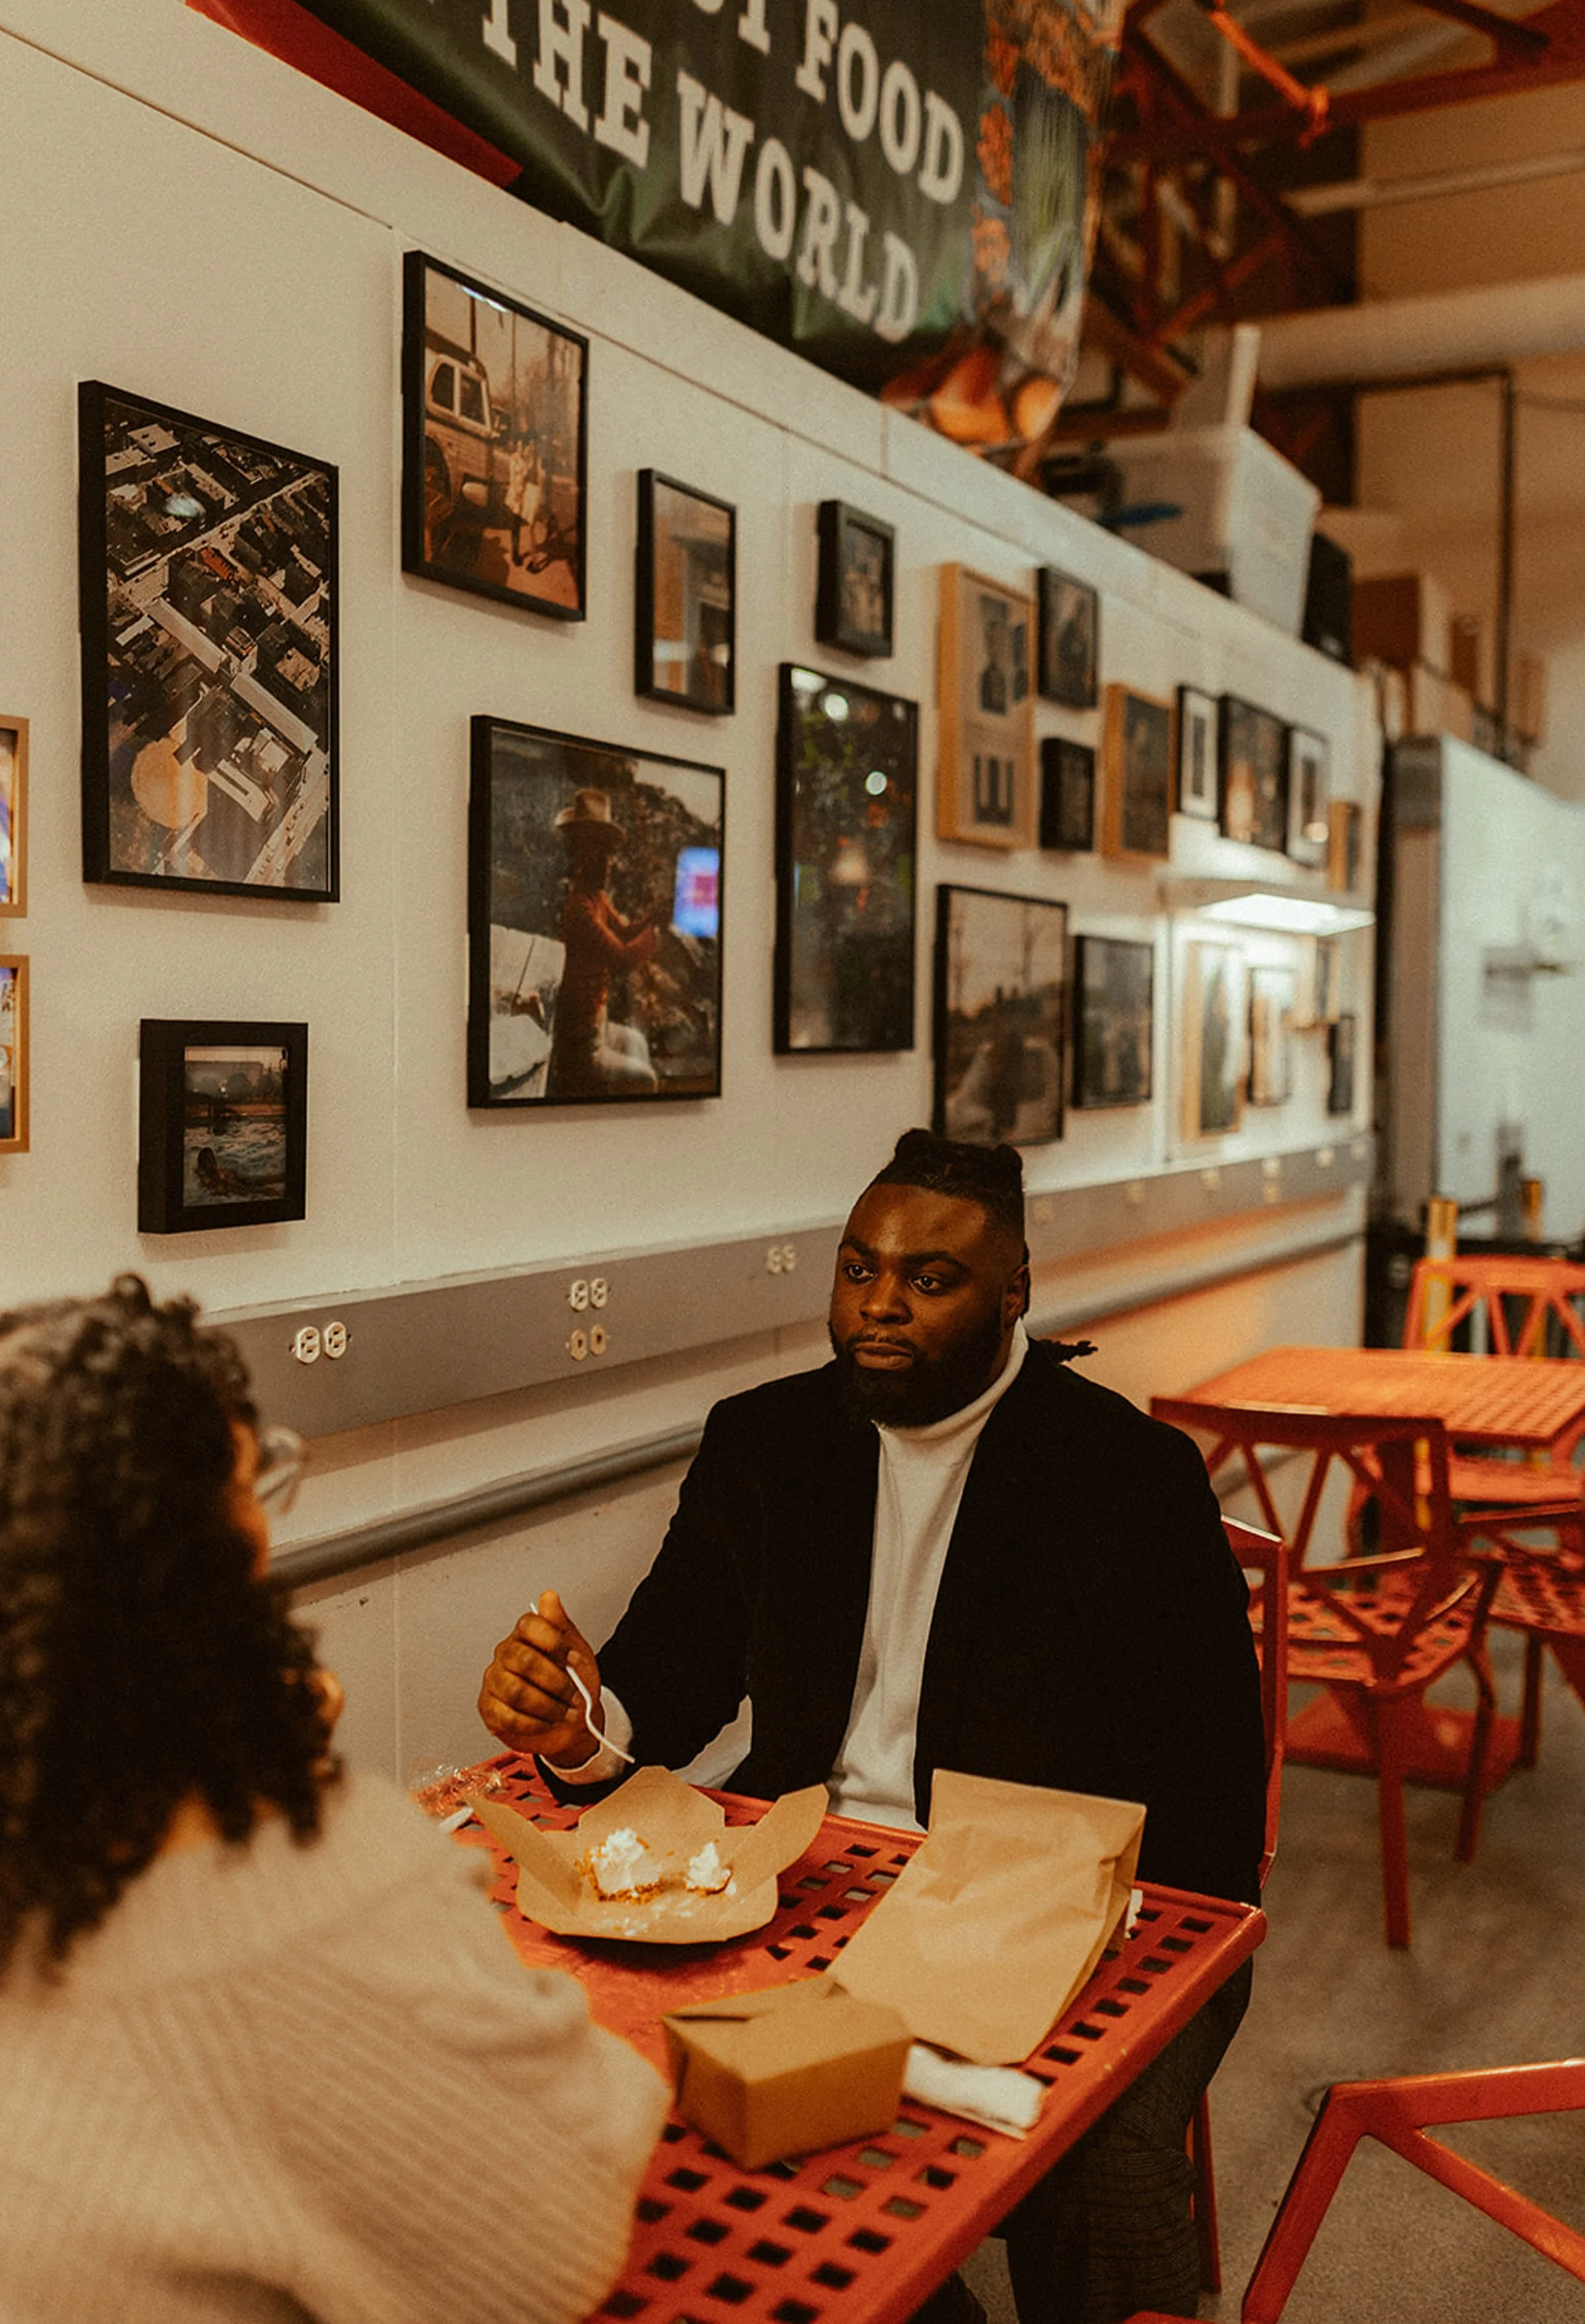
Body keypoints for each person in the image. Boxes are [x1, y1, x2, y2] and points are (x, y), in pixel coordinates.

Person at [479, 1130, 1266, 2324]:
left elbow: (1209, 1802)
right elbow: (656, 1701)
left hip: (1065, 1901)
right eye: (857, 1269)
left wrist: (1097, 1956)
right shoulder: (768, 1442)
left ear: (1016, 1294)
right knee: (605, 2079)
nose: (878, 1305)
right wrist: (571, 1719)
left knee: (1101, 2167)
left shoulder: (1129, 1477)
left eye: (930, 1278)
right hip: (812, 1882)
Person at [0, 1275, 667, 2324]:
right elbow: (553, 2241)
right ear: (220, 1558)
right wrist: (309, 1803)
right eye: (257, 1484)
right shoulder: (293, 1875)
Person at [545, 788, 660, 1099]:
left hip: (598, 1024)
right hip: (582, 1045)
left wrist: (653, 919)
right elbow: (622, 958)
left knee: (636, 1042)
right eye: (602, 851)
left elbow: (623, 932)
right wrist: (654, 935)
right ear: (583, 853)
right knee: (645, 1079)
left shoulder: (595, 899)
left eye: (609, 852)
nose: (609, 861)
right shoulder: (580, 909)